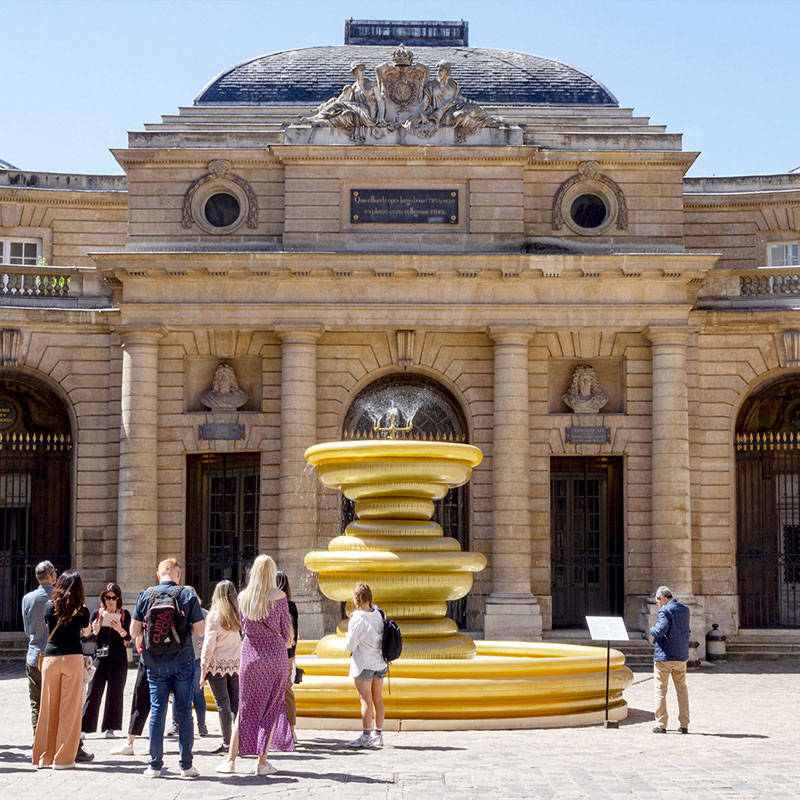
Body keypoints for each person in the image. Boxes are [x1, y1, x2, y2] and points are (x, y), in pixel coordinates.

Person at [215, 554, 294, 776]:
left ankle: (230, 761)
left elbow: (243, 628)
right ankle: (261, 763)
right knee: (271, 708)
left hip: (250, 657)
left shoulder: (243, 597)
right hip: (276, 658)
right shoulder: (279, 597)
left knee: (245, 707)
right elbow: (286, 631)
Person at [130, 558, 205, 779]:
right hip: (183, 661)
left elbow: (134, 631)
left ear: (158, 574)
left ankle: (154, 766)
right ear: (178, 575)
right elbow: (200, 630)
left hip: (154, 663)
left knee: (157, 712)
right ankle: (186, 765)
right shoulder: (187, 595)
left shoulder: (146, 594)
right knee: (183, 712)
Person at [32, 569, 91, 769]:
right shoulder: (82, 610)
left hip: (51, 659)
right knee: (70, 710)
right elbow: (86, 632)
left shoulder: (49, 607)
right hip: (73, 657)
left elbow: (50, 626)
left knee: (48, 709)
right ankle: (63, 758)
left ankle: (45, 757)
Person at [81, 582, 131, 738]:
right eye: (107, 597)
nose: (110, 601)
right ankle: (83, 727)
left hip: (118, 657)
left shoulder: (124, 614)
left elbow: (129, 637)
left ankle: (110, 728)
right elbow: (86, 637)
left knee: (115, 692)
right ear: (103, 598)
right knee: (93, 691)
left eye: (113, 598)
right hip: (100, 657)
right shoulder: (96, 613)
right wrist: (94, 632)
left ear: (118, 599)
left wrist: (120, 630)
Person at [200, 579, 242, 754]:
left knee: (222, 704)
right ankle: (238, 741)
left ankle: (227, 743)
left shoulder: (215, 616)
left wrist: (203, 669)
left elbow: (209, 645)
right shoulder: (238, 615)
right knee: (235, 703)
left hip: (217, 664)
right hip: (235, 664)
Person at [344, 582, 387, 749]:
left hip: (364, 664)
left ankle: (366, 736)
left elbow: (349, 646)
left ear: (356, 598)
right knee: (378, 699)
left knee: (365, 700)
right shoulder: (378, 613)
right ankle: (379, 734)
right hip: (380, 663)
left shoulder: (357, 619)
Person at [167, 585, 207, 738]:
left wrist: (205, 642)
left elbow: (211, 632)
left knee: (198, 693)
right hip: (179, 657)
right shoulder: (176, 613)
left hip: (196, 658)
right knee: (178, 693)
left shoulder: (204, 614)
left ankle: (201, 725)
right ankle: (176, 724)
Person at [650, 586, 691, 734]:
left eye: (658, 601)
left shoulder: (665, 611)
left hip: (664, 657)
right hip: (681, 656)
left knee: (660, 690)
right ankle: (684, 724)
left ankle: (661, 725)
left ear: (663, 598)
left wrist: (651, 630)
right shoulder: (684, 609)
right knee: (682, 691)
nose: (659, 604)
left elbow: (660, 631)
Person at [21, 560, 57, 734]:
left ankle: (38, 739)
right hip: (55, 656)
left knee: (36, 702)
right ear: (52, 576)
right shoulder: (59, 597)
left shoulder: (27, 599)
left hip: (35, 655)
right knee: (56, 702)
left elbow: (28, 630)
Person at [109, 643, 150, 756]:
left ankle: (129, 742)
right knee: (160, 702)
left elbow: (135, 633)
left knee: (140, 699)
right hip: (172, 658)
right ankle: (155, 742)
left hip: (149, 656)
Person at [275, 571, 299, 740]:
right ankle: (291, 729)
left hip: (273, 652)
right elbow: (296, 632)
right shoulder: (291, 606)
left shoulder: (272, 604)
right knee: (287, 691)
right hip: (288, 652)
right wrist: (294, 654)